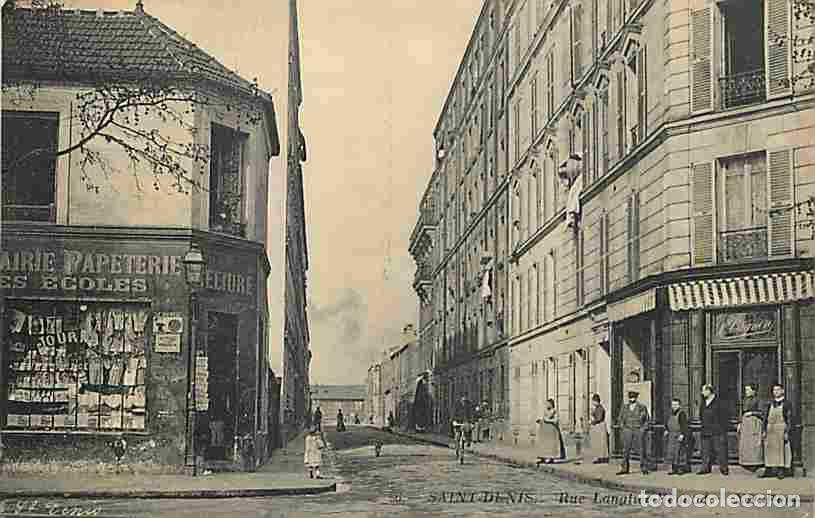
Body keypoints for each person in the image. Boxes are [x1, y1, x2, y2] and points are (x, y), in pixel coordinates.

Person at [761, 384, 794, 479]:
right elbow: (765, 418)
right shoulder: (769, 404)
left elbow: (789, 419)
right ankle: (769, 469)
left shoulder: (787, 404)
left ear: (782, 391)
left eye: (778, 390)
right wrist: (764, 430)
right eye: (774, 390)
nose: (776, 392)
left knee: (781, 450)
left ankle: (781, 470)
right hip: (770, 429)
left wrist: (787, 432)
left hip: (780, 429)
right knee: (769, 449)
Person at [616, 390, 650, 475]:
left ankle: (644, 467)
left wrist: (643, 429)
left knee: (641, 450)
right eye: (630, 397)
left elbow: (647, 420)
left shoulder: (642, 407)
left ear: (636, 398)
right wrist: (623, 428)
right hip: (628, 430)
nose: (632, 399)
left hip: (638, 430)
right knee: (625, 450)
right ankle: (624, 468)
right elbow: (620, 419)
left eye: (633, 397)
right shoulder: (624, 407)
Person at [698, 384, 729, 475]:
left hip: (717, 431)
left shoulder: (719, 402)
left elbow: (724, 416)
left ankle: (723, 468)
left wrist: (721, 428)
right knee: (705, 451)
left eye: (703, 390)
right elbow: (701, 415)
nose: (702, 393)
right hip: (705, 430)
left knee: (720, 450)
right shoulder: (703, 403)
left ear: (709, 391)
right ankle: (705, 468)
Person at [738, 384, 764, 471]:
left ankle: (755, 463)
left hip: (755, 423)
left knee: (754, 444)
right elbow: (741, 412)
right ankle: (746, 462)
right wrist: (740, 422)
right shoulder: (744, 400)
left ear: (754, 391)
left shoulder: (759, 400)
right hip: (746, 424)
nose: (747, 392)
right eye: (746, 390)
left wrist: (752, 413)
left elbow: (762, 413)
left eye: (748, 390)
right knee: (746, 443)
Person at [664, 398, 690, 474]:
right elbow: (667, 423)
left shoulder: (682, 414)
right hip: (671, 435)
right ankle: (673, 468)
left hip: (678, 435)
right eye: (673, 405)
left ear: (679, 405)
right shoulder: (670, 414)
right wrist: (666, 430)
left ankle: (681, 468)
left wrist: (682, 434)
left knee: (680, 452)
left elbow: (684, 425)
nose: (674, 406)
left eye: (676, 405)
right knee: (671, 452)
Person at [536, 399, 566, 464]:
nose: (547, 405)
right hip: (545, 430)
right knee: (544, 444)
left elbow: (556, 420)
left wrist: (547, 420)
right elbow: (544, 418)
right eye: (546, 404)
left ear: (551, 404)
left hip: (552, 431)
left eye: (548, 404)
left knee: (551, 445)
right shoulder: (546, 411)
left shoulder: (554, 411)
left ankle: (550, 458)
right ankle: (543, 457)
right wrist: (541, 420)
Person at [587, 394, 609, 464]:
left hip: (599, 427)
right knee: (597, 443)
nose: (593, 403)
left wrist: (592, 422)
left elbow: (599, 418)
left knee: (600, 443)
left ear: (596, 401)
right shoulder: (597, 408)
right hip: (597, 427)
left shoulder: (600, 408)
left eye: (593, 401)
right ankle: (599, 457)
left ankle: (600, 458)